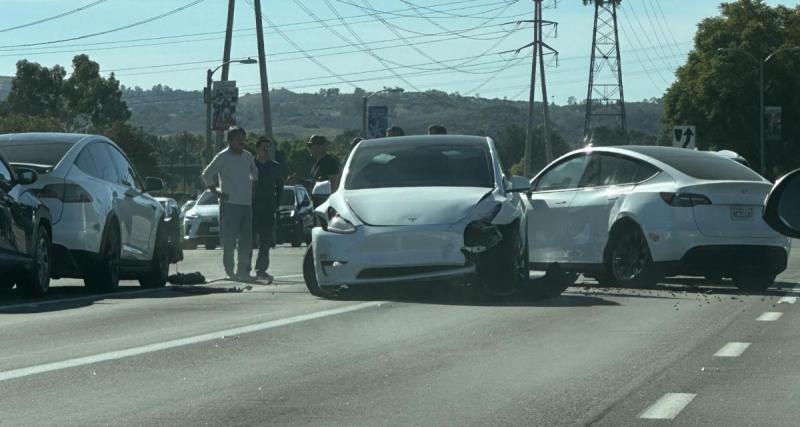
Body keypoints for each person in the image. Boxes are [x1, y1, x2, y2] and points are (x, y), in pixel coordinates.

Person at [201, 126, 258, 280]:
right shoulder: (223, 156)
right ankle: (230, 271)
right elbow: (207, 174)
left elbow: (254, 172)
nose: (242, 142)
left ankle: (243, 272)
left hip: (246, 204)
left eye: (243, 139)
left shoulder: (247, 156)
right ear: (231, 140)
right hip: (230, 203)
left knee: (246, 241)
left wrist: (253, 187)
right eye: (238, 139)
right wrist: (216, 192)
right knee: (229, 240)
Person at [251, 137, 283, 282]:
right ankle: (243, 269)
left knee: (265, 241)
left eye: (269, 148)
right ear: (257, 149)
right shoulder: (250, 164)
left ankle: (261, 270)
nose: (267, 150)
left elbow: (280, 187)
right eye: (264, 147)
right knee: (248, 240)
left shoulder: (275, 166)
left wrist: (276, 204)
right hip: (251, 208)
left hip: (268, 208)